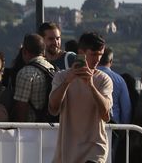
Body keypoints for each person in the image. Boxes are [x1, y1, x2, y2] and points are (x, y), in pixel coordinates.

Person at [49, 31, 114, 163]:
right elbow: (53, 108)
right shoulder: (61, 77)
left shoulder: (103, 79)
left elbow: (106, 114)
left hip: (94, 150)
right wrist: (68, 81)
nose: (97, 59)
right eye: (93, 54)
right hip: (67, 151)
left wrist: (91, 85)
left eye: (100, 55)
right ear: (81, 53)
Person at [11, 33, 57, 123]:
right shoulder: (52, 68)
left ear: (24, 51)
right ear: (43, 51)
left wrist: (20, 128)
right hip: (50, 127)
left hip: (31, 128)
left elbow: (21, 106)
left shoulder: (25, 73)